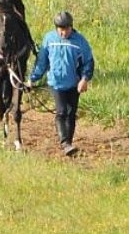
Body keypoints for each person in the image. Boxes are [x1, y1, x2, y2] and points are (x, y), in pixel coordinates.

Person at [27, 11, 95, 156]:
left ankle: (68, 144)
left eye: (66, 29)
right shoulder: (49, 39)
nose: (63, 33)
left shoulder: (80, 41)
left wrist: (84, 79)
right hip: (56, 84)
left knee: (71, 113)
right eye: (60, 29)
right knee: (62, 111)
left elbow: (88, 62)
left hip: (74, 84)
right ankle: (64, 142)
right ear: (56, 28)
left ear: (71, 27)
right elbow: (42, 62)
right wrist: (32, 79)